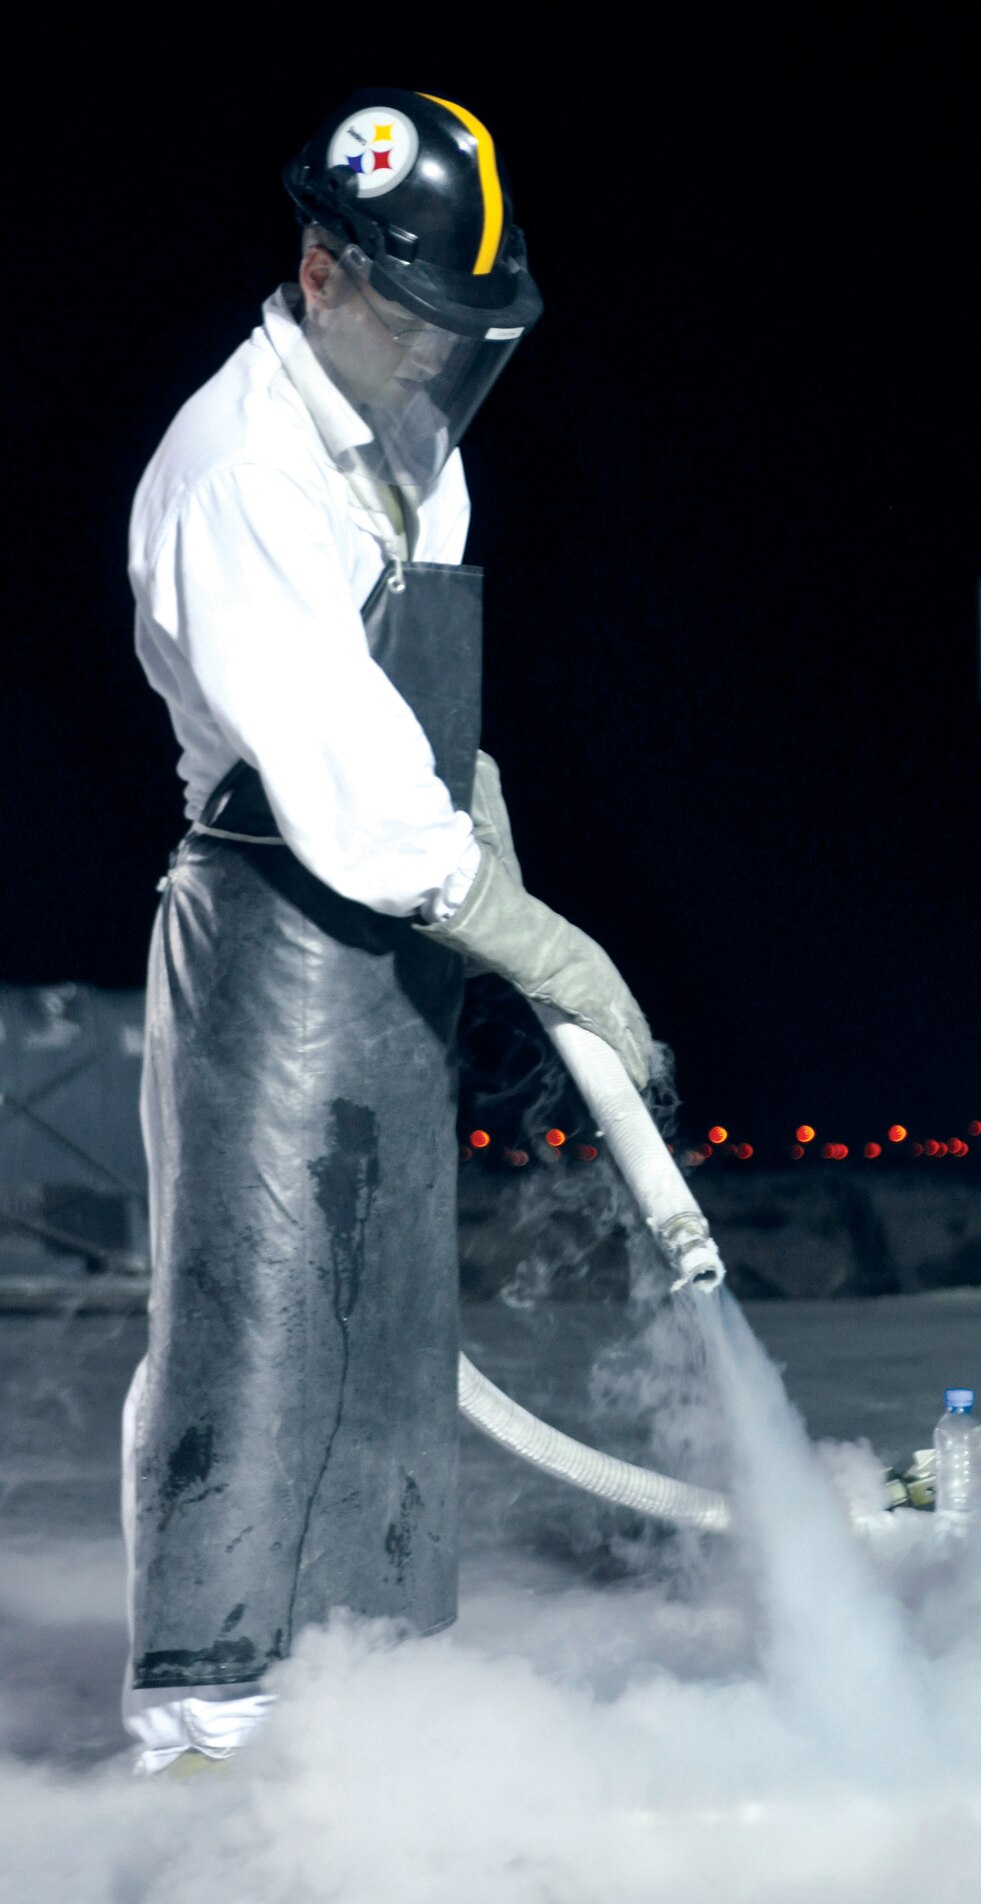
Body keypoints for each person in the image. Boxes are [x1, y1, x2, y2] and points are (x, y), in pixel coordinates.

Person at [121, 86, 651, 1776]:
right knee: (256, 1315)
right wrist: (529, 929)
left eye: (466, 332)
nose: (441, 359)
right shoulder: (243, 471)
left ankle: (366, 1694)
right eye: (416, 318)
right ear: (323, 268)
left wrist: (469, 786)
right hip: (273, 925)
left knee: (390, 1324)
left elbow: (397, 705)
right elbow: (340, 779)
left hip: (386, 928)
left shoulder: (406, 432)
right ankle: (206, 1719)